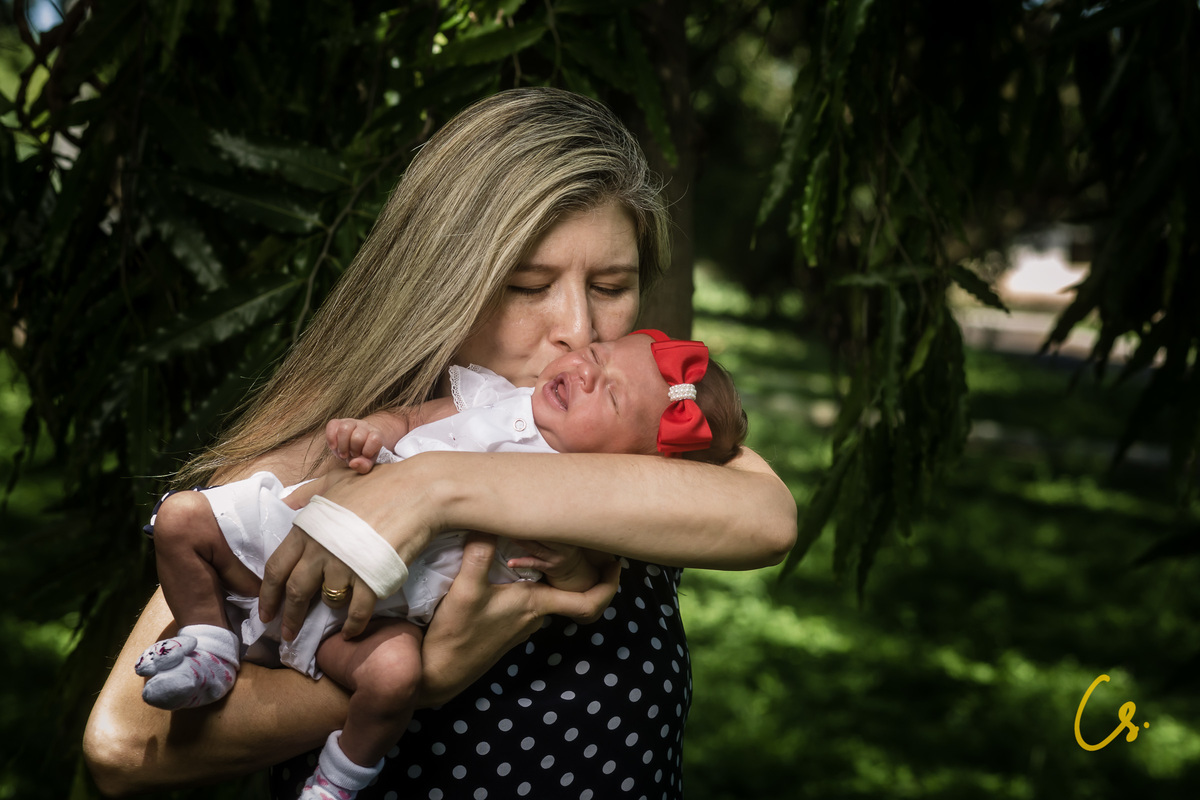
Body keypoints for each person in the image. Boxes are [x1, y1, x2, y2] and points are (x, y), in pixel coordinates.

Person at [83, 87, 797, 800]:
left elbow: (768, 519)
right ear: (441, 284)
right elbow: (121, 745)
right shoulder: (342, 447)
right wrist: (420, 680)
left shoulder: (637, 449)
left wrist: (429, 488)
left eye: (612, 285)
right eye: (526, 285)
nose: (577, 329)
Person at [137, 330, 746, 800]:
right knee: (181, 519)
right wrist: (371, 432)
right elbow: (408, 421)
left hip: (371, 620)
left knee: (397, 675)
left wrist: (562, 563)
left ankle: (338, 778)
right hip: (287, 542)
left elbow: (580, 577)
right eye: (596, 353)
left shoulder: (581, 499)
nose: (584, 367)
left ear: (630, 462)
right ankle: (212, 643)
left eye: (610, 394)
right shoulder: (493, 396)